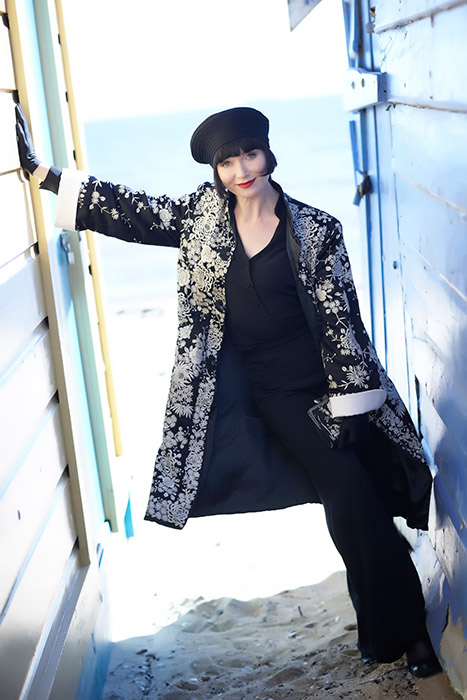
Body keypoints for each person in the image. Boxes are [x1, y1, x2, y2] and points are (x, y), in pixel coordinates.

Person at [16, 104, 441, 677]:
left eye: (250, 154)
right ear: (215, 170)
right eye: (228, 162)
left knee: (357, 502)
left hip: (334, 387)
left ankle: (392, 631)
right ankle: (409, 635)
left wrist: (352, 403)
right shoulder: (201, 220)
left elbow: (343, 320)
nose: (242, 170)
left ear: (268, 154)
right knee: (350, 492)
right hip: (276, 395)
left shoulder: (316, 229)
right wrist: (45, 175)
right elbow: (132, 212)